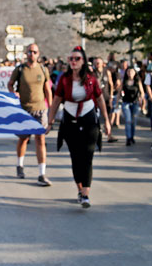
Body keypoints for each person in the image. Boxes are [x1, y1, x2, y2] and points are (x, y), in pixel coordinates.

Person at [46, 46, 111, 208]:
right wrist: (50, 120)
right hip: (70, 118)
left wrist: (107, 121)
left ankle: (86, 194)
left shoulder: (91, 78)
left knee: (87, 156)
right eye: (71, 59)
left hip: (88, 118)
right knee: (76, 157)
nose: (73, 61)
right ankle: (80, 189)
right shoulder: (64, 79)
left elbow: (100, 99)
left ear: (83, 61)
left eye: (77, 59)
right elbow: (56, 100)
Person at [7, 43, 53, 185]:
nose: (31, 54)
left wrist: (50, 109)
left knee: (40, 139)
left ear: (38, 54)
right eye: (29, 52)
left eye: (34, 52)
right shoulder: (20, 69)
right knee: (24, 139)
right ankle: (20, 165)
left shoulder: (43, 70)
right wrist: (13, 93)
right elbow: (10, 84)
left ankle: (42, 173)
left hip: (40, 109)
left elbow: (47, 90)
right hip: (24, 109)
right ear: (26, 54)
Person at [93, 57, 118, 143]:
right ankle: (96, 136)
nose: (96, 65)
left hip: (106, 96)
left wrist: (111, 96)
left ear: (102, 64)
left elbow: (111, 84)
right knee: (96, 117)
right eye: (95, 63)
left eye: (98, 63)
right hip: (96, 98)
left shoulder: (106, 72)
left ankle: (109, 135)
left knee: (108, 116)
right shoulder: (92, 73)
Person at [119, 65, 146, 145]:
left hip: (135, 103)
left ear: (135, 73)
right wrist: (116, 103)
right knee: (128, 120)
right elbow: (119, 93)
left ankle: (132, 137)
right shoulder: (124, 81)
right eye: (128, 71)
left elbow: (142, 93)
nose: (130, 73)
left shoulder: (138, 81)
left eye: (132, 71)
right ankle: (128, 137)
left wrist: (142, 101)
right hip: (126, 103)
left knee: (133, 121)